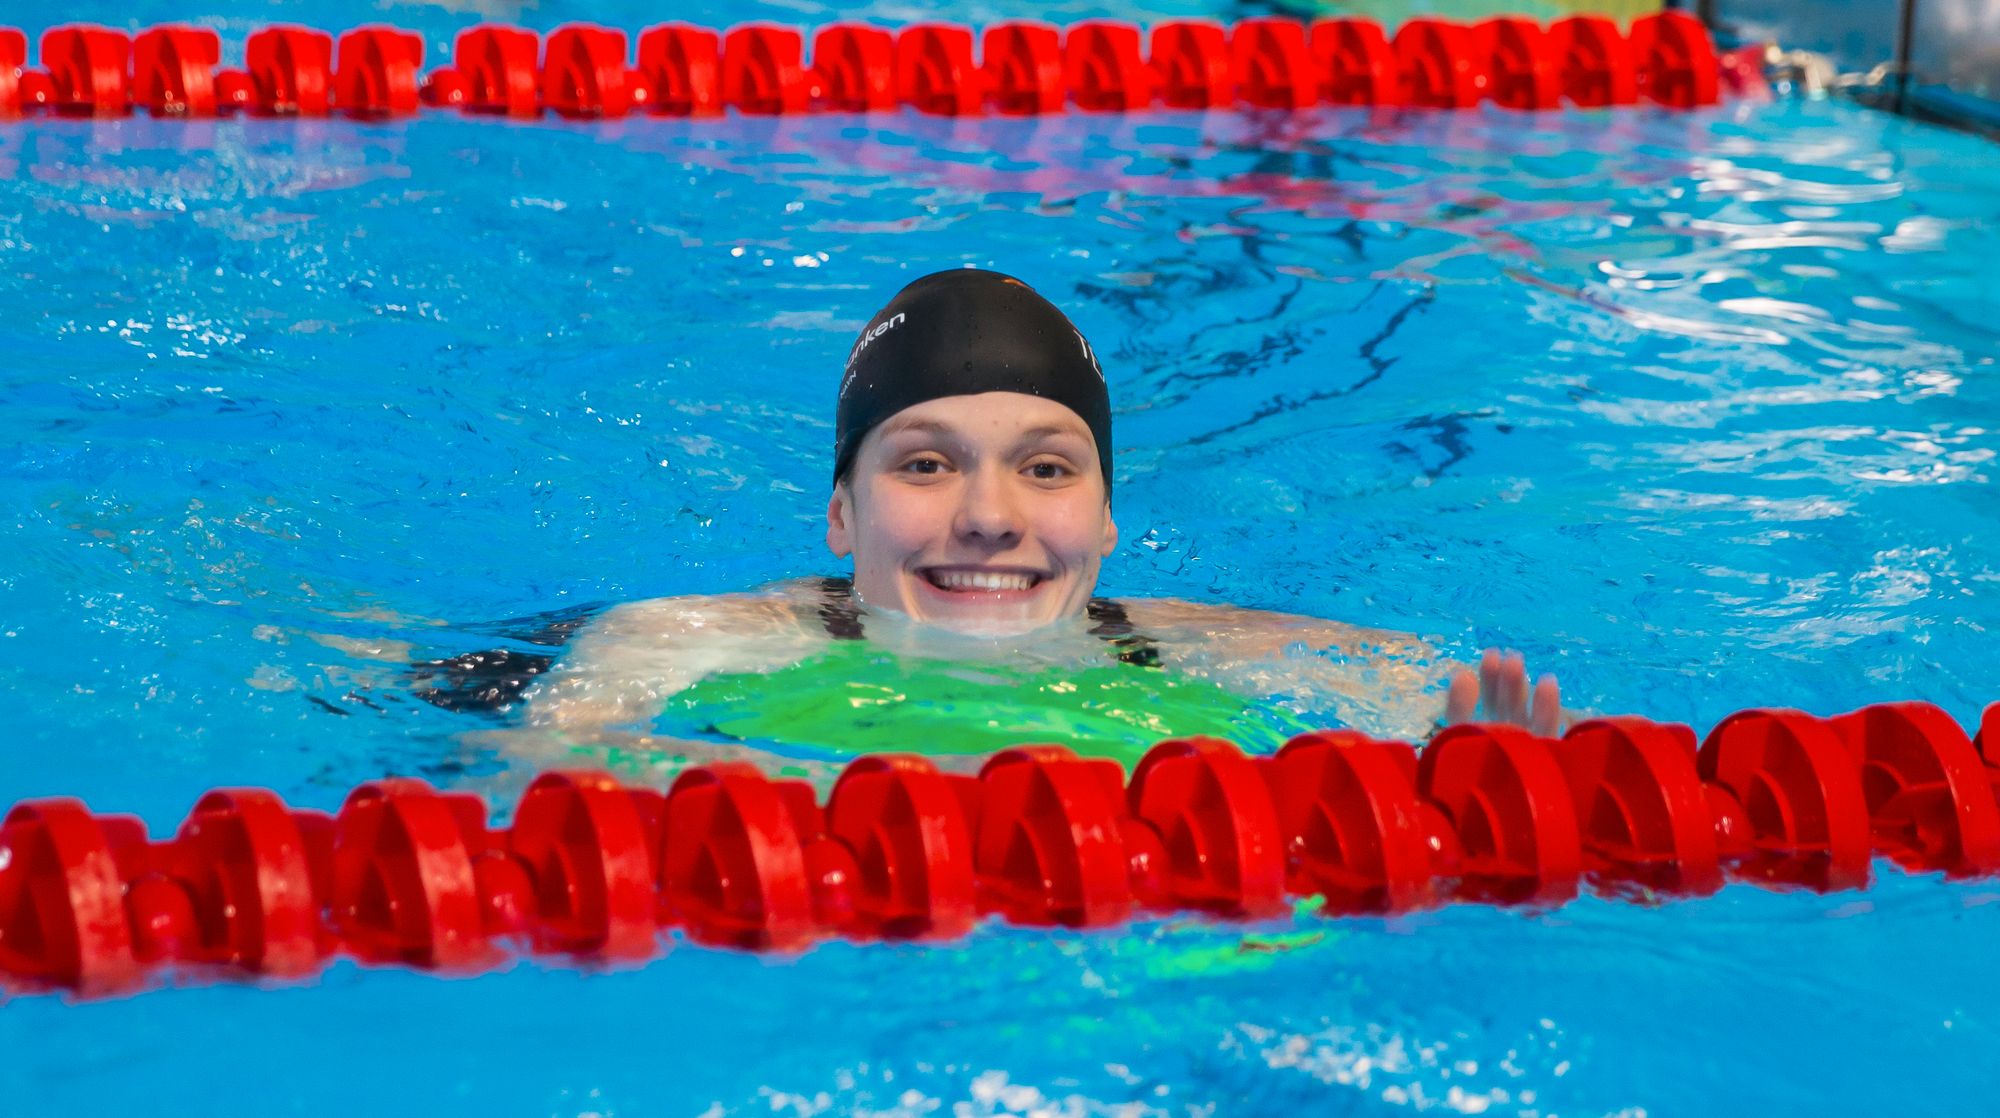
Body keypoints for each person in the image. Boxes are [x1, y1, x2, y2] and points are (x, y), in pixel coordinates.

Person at [519, 269, 1561, 767]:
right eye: (924, 462)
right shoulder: (683, 641)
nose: (987, 517)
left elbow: (1440, 708)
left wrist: (1466, 782)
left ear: (1107, 519)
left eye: (1047, 469)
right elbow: (542, 772)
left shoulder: (1201, 649)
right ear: (840, 513)